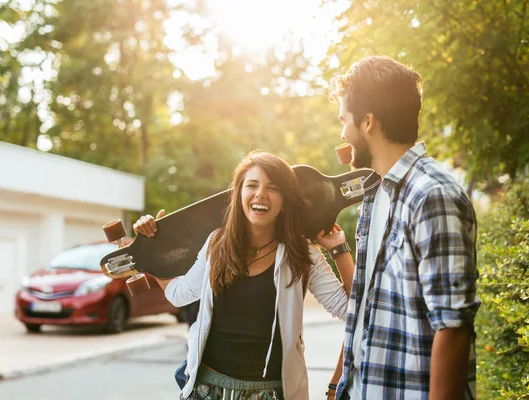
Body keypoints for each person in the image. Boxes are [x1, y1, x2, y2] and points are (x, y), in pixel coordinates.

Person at [133, 151, 355, 400]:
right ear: (238, 194)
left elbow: (351, 312)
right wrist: (154, 251)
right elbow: (179, 294)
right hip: (206, 389)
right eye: (252, 185)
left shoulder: (301, 253)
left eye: (273, 188)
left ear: (284, 202)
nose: (261, 193)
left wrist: (339, 250)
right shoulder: (217, 243)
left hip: (269, 393)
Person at [326, 55, 481, 400]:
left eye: (344, 120)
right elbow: (366, 306)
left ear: (367, 122)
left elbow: (453, 326)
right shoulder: (374, 190)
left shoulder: (432, 195)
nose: (342, 133)